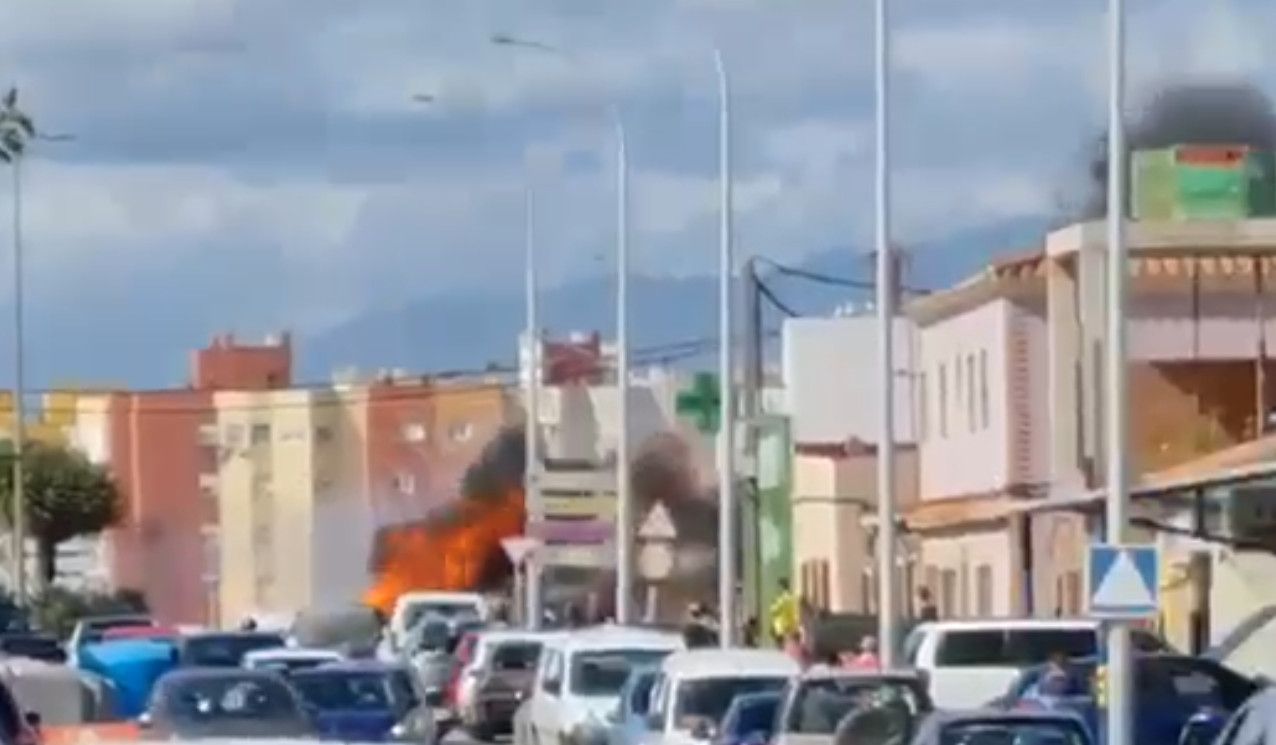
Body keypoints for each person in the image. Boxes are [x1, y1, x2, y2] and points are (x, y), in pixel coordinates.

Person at [769, 579, 800, 647]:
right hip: (792, 625)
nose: (777, 589)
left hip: (781, 626)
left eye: (778, 587)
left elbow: (774, 610)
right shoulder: (793, 597)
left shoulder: (782, 599)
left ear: (781, 587)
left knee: (781, 646)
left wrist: (773, 604)